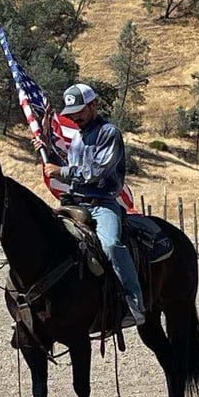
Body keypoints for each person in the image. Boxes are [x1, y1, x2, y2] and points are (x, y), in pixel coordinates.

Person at [33, 83, 146, 327]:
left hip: (102, 203)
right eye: (72, 113)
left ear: (94, 105)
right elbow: (64, 168)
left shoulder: (109, 133)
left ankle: (132, 302)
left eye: (80, 111)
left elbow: (96, 171)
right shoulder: (77, 138)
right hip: (74, 202)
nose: (76, 117)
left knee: (111, 244)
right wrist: (46, 150)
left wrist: (61, 170)